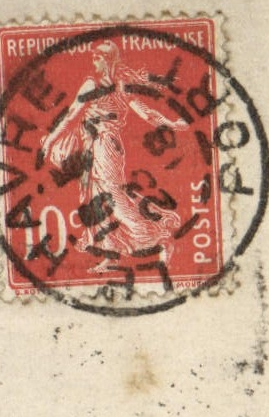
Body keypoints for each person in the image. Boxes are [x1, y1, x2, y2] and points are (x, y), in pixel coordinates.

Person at [40, 40, 188, 272]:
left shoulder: (119, 85)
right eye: (93, 56)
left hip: (106, 145)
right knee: (95, 197)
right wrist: (49, 139)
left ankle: (160, 238)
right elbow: (71, 115)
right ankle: (112, 254)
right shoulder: (97, 83)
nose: (94, 60)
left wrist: (170, 123)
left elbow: (143, 111)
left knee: (112, 197)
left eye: (98, 57)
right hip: (93, 145)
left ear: (108, 60)